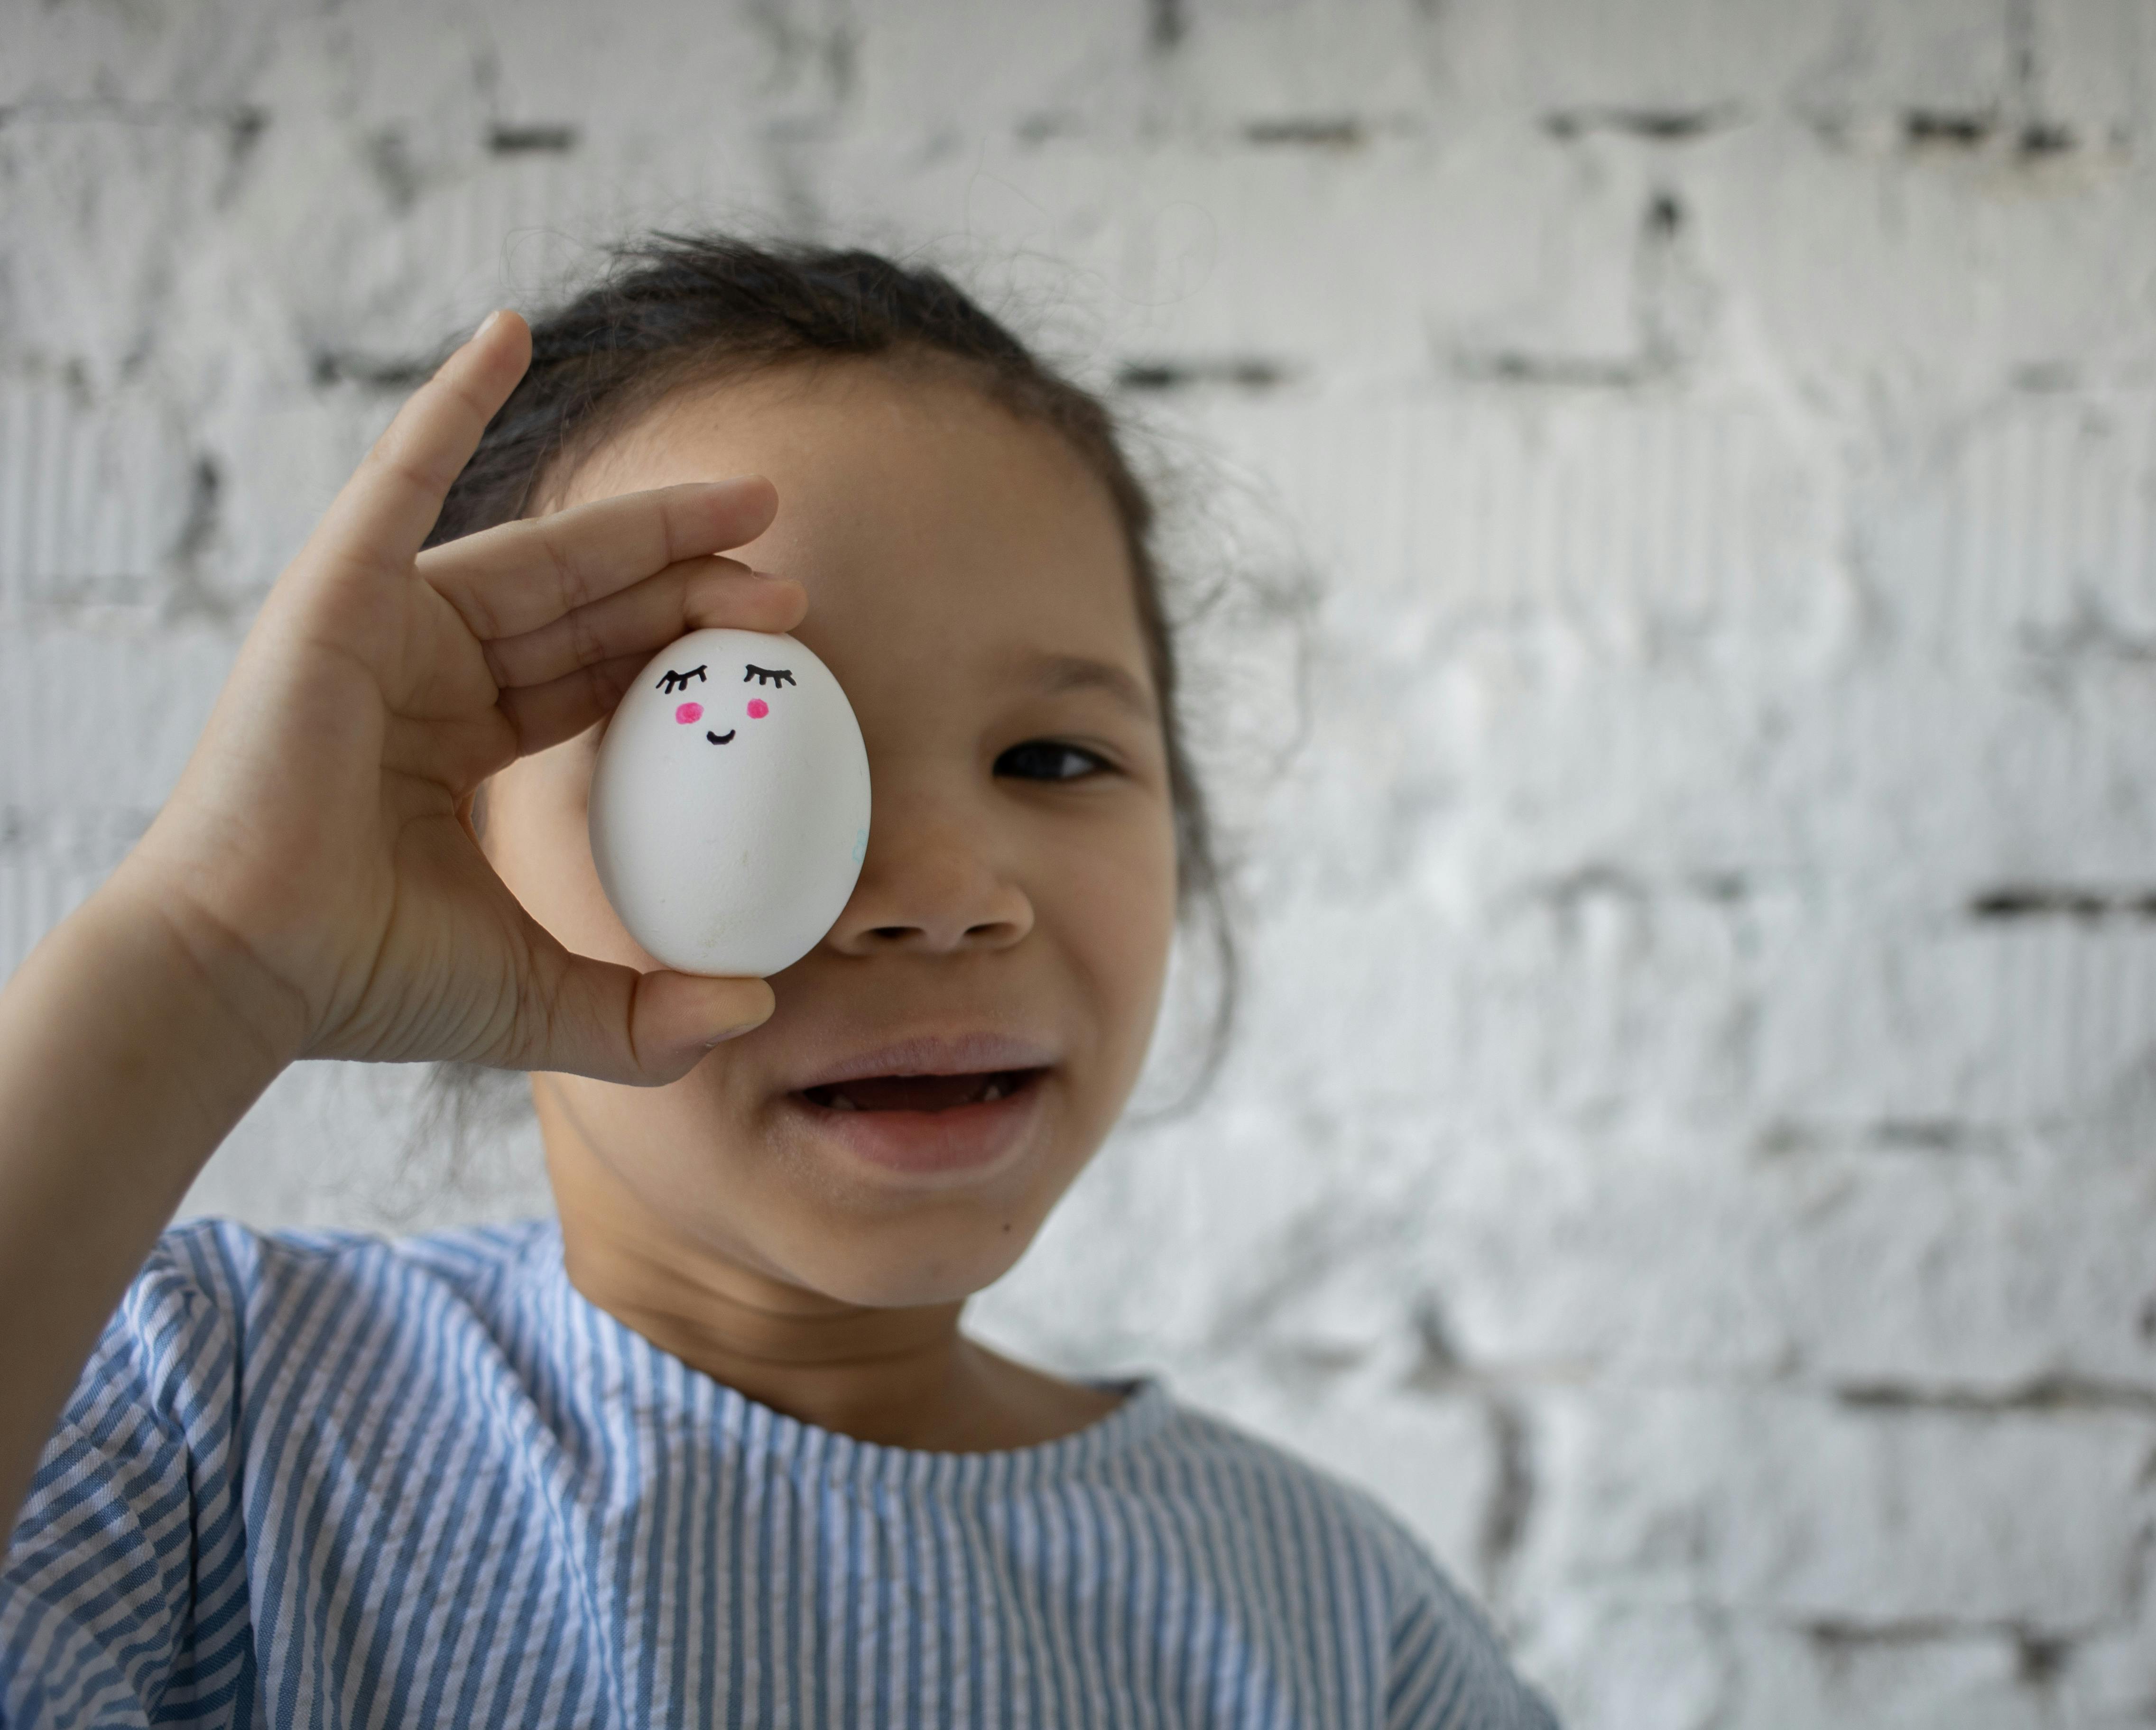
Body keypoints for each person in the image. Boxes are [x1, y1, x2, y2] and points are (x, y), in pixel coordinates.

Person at [0, 237, 1556, 1727]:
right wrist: (203, 957)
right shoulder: (202, 1433)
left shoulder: (1336, 1625)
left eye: (1053, 758)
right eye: (732, 758)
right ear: (457, 841)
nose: (946, 896)